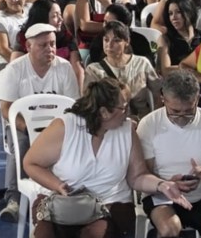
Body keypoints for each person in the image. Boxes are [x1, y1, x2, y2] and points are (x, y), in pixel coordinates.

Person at [23, 78, 192, 237]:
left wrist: (162, 185)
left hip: (109, 205)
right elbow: (31, 163)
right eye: (124, 108)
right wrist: (58, 185)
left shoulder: (127, 130)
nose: (128, 113)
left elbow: (138, 176)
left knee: (98, 233)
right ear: (104, 112)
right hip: (63, 205)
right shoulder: (65, 127)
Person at [137, 70, 201, 238]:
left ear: (198, 98)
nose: (182, 118)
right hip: (161, 196)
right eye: (175, 112)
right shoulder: (148, 124)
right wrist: (167, 184)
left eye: (189, 111)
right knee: (170, 228)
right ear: (163, 99)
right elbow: (142, 174)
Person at [0, 23, 80, 221]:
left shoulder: (65, 68)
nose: (50, 49)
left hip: (58, 128)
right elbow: (6, 109)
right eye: (43, 45)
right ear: (28, 47)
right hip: (22, 126)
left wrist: (53, 133)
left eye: (52, 44)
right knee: (21, 143)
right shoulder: (15, 69)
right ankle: (14, 199)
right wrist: (30, 130)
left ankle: (66, 192)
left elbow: (73, 107)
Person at [85, 21, 159, 115]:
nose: (109, 45)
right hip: (111, 121)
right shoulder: (93, 70)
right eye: (106, 40)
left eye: (116, 40)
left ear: (127, 41)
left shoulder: (142, 63)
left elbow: (157, 95)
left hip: (142, 120)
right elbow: (90, 105)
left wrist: (155, 121)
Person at [157, 0, 201, 72]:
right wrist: (193, 70)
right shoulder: (165, 39)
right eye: (170, 14)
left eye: (178, 12)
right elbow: (166, 70)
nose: (173, 17)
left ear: (189, 12)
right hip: (178, 81)